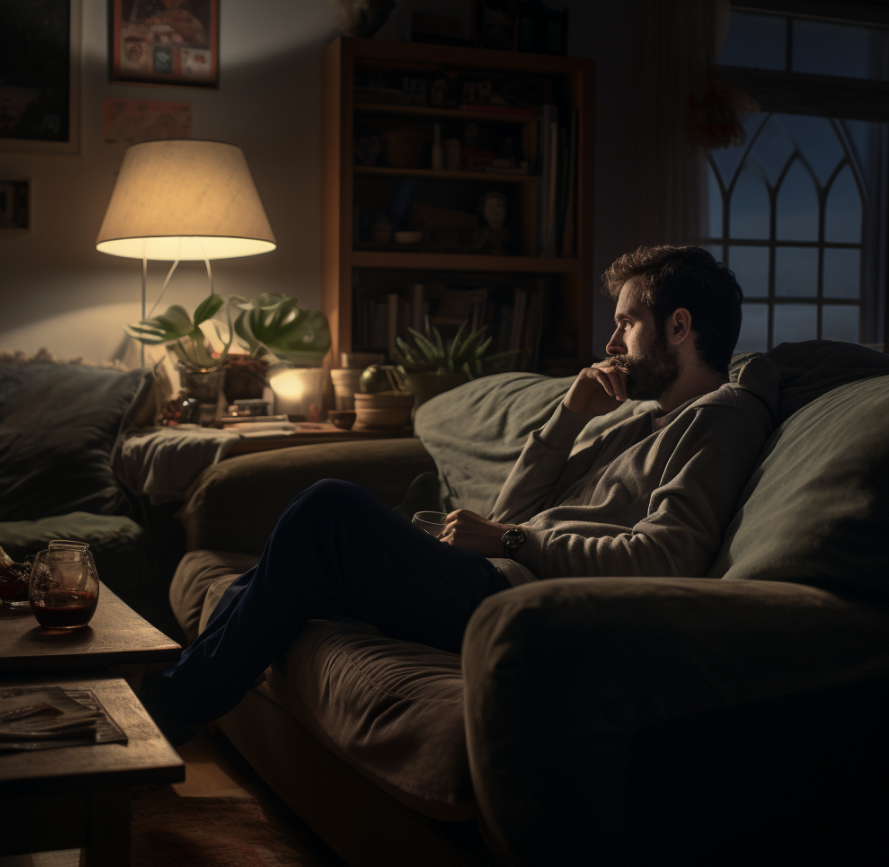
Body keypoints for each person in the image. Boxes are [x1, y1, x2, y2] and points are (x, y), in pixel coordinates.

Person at [142, 245, 777, 746]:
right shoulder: (638, 417)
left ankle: (165, 711)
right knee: (268, 573)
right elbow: (512, 510)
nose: (612, 345)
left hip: (527, 607)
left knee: (328, 508)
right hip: (493, 575)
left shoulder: (721, 418)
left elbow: (664, 559)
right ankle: (164, 706)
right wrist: (568, 416)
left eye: (627, 323)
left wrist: (512, 541)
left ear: (679, 326)